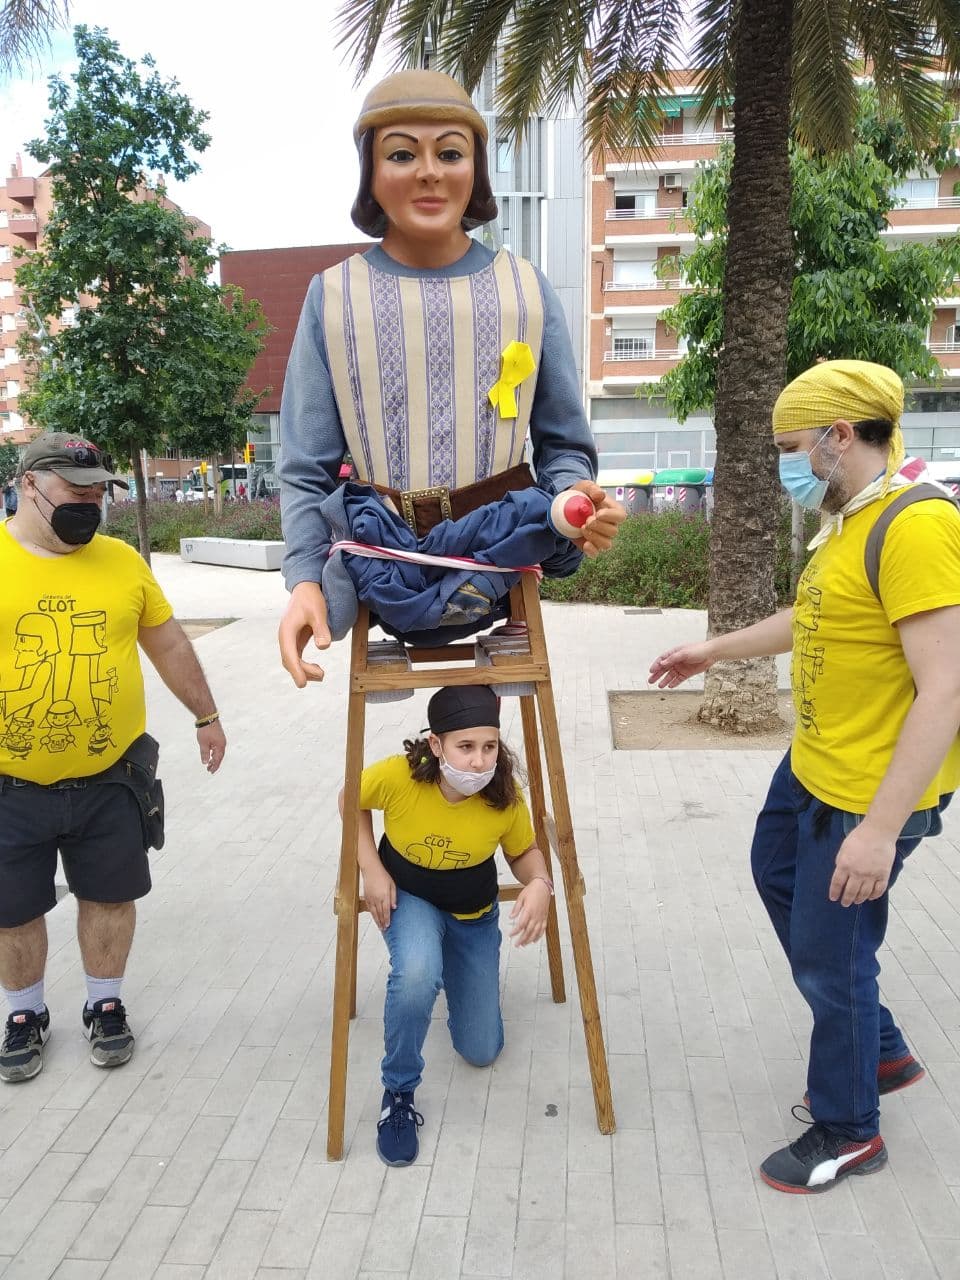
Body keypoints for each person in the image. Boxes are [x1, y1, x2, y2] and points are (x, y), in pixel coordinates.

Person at [649, 360, 960, 1194]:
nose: (786, 464)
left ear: (840, 436)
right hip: (814, 766)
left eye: (791, 447)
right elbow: (816, 617)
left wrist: (880, 832)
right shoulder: (849, 519)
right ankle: (877, 1046)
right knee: (775, 871)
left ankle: (851, 1129)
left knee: (833, 954)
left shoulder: (917, 527)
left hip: (865, 792)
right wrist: (712, 650)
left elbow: (947, 688)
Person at [278, 69, 626, 683]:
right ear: (370, 172)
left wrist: (576, 496)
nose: (429, 172)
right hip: (377, 554)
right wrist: (305, 576)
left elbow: (563, 441)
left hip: (504, 549)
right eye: (401, 154)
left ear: (477, 169)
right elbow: (306, 465)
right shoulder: (331, 297)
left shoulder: (525, 290)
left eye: (450, 153)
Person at [0, 433, 227, 1084]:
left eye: (99, 491)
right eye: (76, 490)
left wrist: (206, 715)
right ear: (30, 484)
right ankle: (24, 1014)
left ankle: (104, 1005)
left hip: (111, 778)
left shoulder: (123, 562)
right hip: (11, 786)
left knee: (110, 898)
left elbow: (169, 644)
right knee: (13, 912)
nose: (91, 503)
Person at [339, 684, 552, 1166]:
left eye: (489, 746)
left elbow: (523, 852)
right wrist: (371, 868)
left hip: (471, 913)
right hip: (409, 897)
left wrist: (540, 882)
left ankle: (458, 986)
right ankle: (398, 1092)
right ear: (436, 745)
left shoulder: (503, 794)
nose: (479, 761)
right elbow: (349, 799)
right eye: (466, 746)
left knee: (481, 1050)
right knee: (417, 974)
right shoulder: (399, 776)